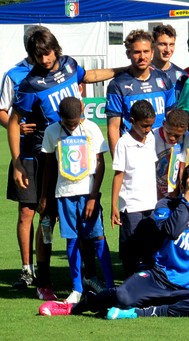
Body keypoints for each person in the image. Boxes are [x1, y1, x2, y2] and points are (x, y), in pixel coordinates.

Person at [9, 29, 122, 300]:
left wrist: (125, 68)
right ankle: (43, 279)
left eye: (47, 52)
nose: (45, 59)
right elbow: (14, 122)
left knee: (84, 216)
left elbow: (91, 76)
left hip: (78, 154)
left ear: (55, 49)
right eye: (38, 55)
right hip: (44, 155)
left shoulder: (70, 64)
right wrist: (16, 163)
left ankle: (89, 276)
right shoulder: (29, 84)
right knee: (46, 218)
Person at [40, 164, 189, 319]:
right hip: (159, 280)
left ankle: (139, 313)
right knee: (122, 296)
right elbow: (173, 231)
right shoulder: (165, 206)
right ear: (183, 187)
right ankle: (74, 307)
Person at [39, 97, 114, 304]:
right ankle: (77, 288)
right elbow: (48, 166)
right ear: (60, 118)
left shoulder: (91, 128)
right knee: (71, 239)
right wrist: (45, 196)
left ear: (82, 114)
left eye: (76, 122)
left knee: (98, 237)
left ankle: (110, 285)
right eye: (68, 123)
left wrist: (93, 197)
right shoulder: (52, 131)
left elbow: (101, 165)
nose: (73, 126)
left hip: (87, 192)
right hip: (64, 193)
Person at [2, 25, 50, 289]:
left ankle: (45, 269)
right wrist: (16, 126)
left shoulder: (57, 71)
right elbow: (2, 111)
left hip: (54, 154)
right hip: (25, 154)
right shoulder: (14, 74)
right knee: (26, 213)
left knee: (49, 213)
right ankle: (26, 270)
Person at [105, 29, 176, 155]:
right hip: (133, 151)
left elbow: (172, 118)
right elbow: (113, 127)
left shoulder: (164, 79)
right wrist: (118, 161)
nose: (142, 57)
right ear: (128, 54)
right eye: (137, 52)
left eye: (146, 51)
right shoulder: (117, 84)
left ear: (152, 53)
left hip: (161, 150)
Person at [111, 100, 159, 277]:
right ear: (132, 120)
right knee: (131, 249)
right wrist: (114, 205)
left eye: (151, 125)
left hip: (151, 204)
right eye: (145, 125)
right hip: (131, 205)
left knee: (150, 248)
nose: (148, 129)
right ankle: (130, 285)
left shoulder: (152, 138)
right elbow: (119, 174)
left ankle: (148, 284)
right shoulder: (124, 143)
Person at [153, 108, 188, 199]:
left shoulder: (187, 138)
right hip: (155, 192)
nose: (172, 138)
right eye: (168, 133)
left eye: (177, 135)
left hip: (177, 193)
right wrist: (156, 192)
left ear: (185, 130)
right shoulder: (152, 137)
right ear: (164, 124)